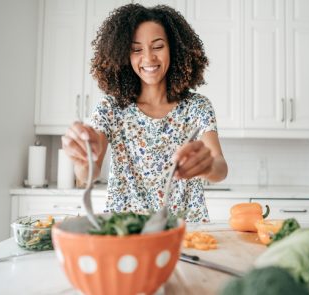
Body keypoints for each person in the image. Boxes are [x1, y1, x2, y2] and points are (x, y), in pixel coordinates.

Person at [61, 4, 228, 222]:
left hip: (186, 232)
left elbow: (220, 168)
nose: (148, 58)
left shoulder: (197, 107)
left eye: (157, 46)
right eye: (136, 50)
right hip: (127, 232)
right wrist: (83, 162)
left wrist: (207, 167)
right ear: (123, 55)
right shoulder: (111, 109)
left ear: (174, 49)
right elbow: (87, 177)